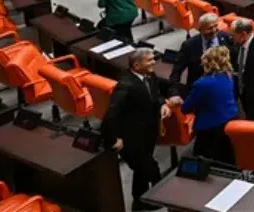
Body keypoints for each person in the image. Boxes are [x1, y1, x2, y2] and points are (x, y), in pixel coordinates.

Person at [101, 49, 167, 211]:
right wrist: (113, 139)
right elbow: (111, 115)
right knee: (152, 169)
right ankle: (160, 198)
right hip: (131, 138)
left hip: (148, 133)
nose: (154, 62)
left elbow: (156, 96)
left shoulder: (150, 76)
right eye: (149, 60)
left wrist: (162, 105)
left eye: (153, 59)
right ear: (136, 66)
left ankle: (139, 201)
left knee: (141, 169)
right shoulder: (125, 86)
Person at [178, 45, 239, 164]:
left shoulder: (202, 84)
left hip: (209, 129)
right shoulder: (229, 77)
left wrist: (180, 101)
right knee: (227, 159)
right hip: (230, 121)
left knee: (203, 161)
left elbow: (185, 109)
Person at [169, 14, 234, 96]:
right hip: (198, 92)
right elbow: (176, 71)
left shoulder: (226, 38)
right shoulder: (189, 45)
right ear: (200, 30)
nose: (214, 30)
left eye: (215, 26)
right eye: (209, 28)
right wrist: (174, 94)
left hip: (222, 91)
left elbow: (233, 63)